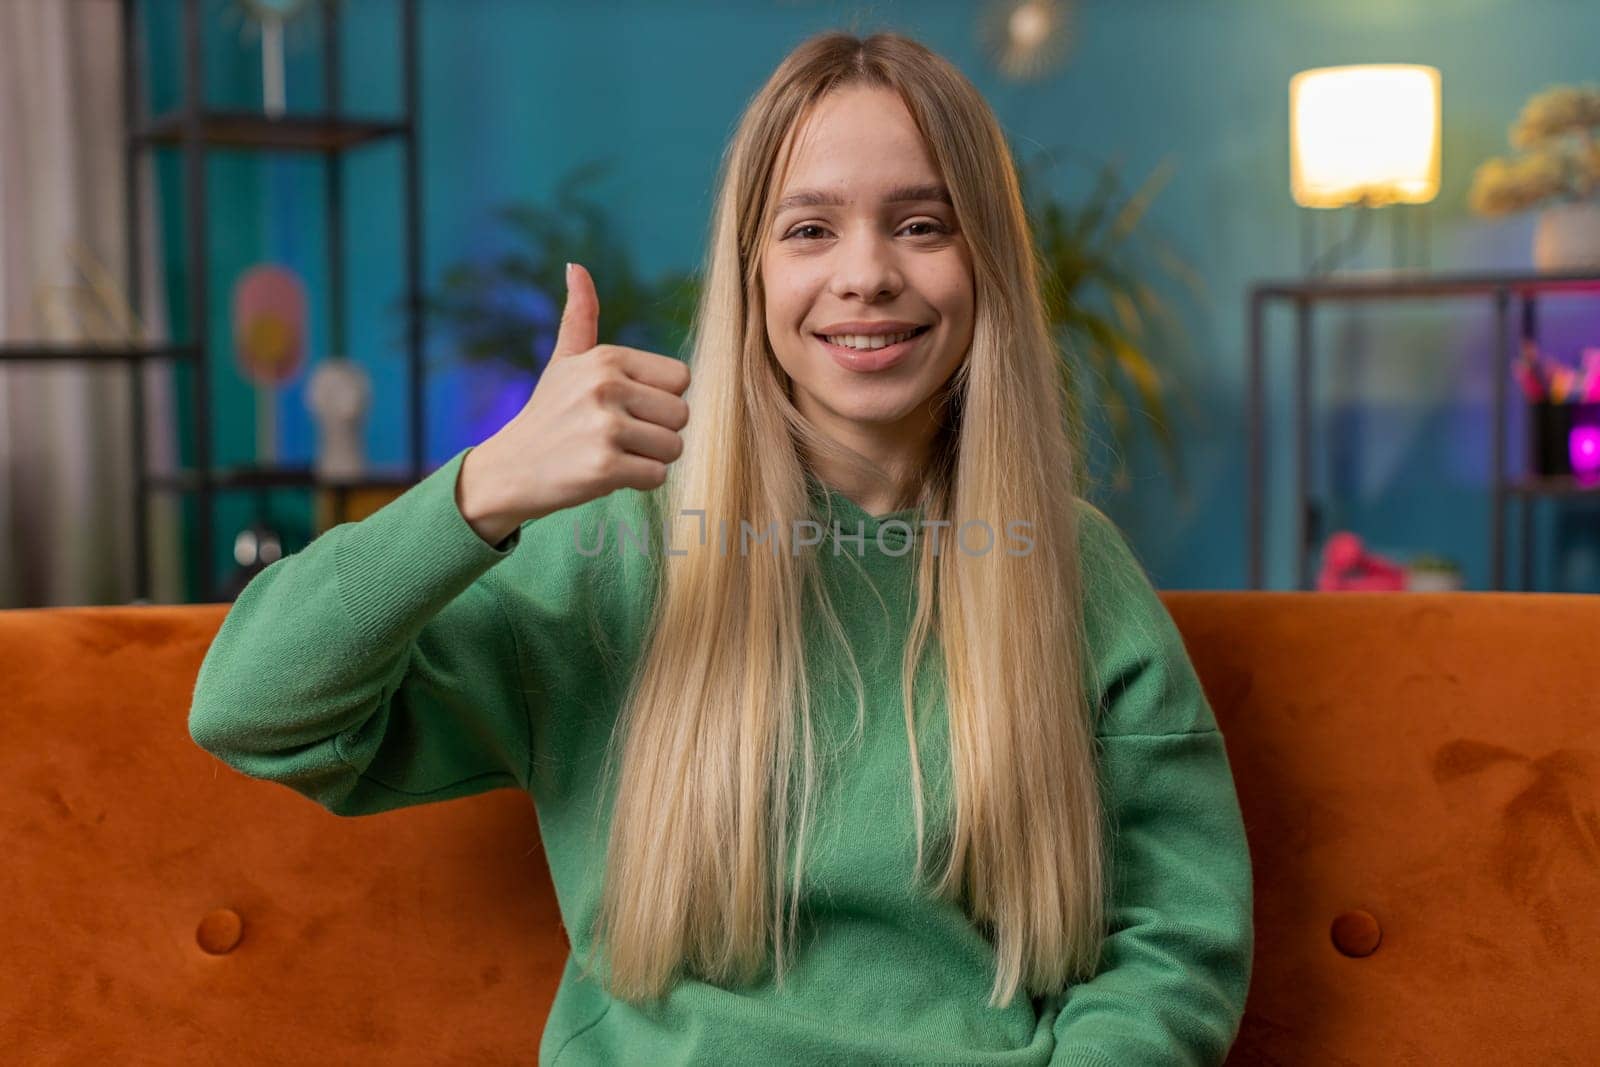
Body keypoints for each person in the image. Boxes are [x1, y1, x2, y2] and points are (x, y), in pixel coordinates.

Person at [189, 29, 1253, 1066]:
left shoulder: (1070, 561)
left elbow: (1175, 937)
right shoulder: (614, 548)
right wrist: (486, 484)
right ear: (748, 272)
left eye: (922, 224)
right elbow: (253, 706)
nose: (867, 273)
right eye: (808, 230)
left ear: (985, 263)